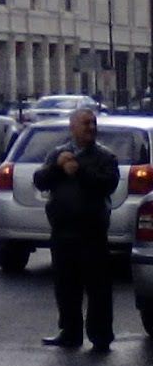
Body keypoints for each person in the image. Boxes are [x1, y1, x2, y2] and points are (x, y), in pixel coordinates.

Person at [33, 107, 120, 352]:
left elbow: (107, 184)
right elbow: (40, 181)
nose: (91, 127)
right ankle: (70, 332)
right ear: (72, 127)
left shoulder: (104, 156)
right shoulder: (58, 154)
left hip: (92, 233)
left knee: (98, 288)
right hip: (63, 232)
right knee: (66, 286)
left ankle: (100, 335)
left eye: (93, 123)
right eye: (85, 123)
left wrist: (79, 170)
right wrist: (57, 168)